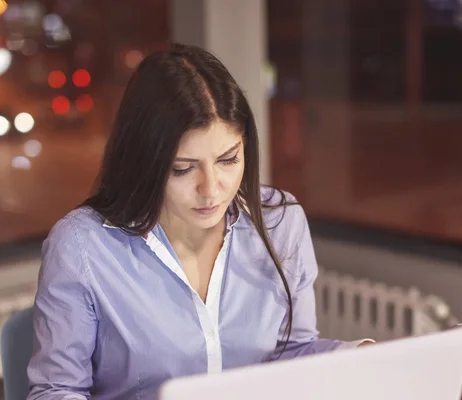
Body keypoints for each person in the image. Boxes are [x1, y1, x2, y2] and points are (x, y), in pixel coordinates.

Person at [27, 43, 372, 400]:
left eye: (228, 160)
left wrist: (360, 357)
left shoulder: (280, 222)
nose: (211, 190)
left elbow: (291, 355)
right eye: (183, 169)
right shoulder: (81, 247)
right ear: (145, 161)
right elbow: (57, 391)